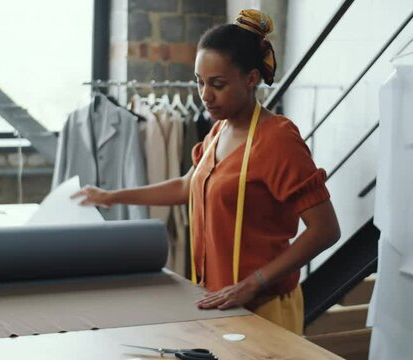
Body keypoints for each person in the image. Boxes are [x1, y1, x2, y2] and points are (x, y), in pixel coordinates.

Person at [71, 9, 341, 335]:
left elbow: (325, 230)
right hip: (217, 299)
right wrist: (111, 197)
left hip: (265, 307)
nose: (205, 95)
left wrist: (254, 283)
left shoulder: (278, 139)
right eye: (199, 82)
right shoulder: (217, 132)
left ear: (251, 79)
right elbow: (187, 186)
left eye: (217, 84)